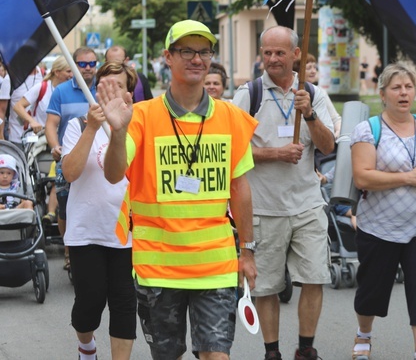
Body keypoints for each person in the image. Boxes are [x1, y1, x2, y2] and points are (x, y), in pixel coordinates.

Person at [99, 19, 258, 360]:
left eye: (204, 52)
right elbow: (113, 175)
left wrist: (247, 251)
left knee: (216, 355)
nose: (197, 59)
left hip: (215, 265)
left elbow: (240, 188)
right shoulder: (140, 116)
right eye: (186, 51)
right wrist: (116, 132)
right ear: (168, 57)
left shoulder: (231, 117)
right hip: (159, 267)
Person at [232, 25, 335, 360]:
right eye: (267, 53)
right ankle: (271, 351)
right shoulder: (249, 95)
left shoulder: (314, 94)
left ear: (296, 55)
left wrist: (309, 114)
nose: (272, 59)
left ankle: (306, 349)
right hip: (263, 207)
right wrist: (274, 153)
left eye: (279, 53)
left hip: (307, 204)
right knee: (267, 287)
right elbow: (233, 150)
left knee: (315, 278)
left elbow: (327, 145)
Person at [349, 62, 416, 360]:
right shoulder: (368, 130)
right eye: (396, 87)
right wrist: (406, 178)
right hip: (379, 226)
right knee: (372, 291)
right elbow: (362, 176)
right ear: (383, 94)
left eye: (409, 87)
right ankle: (364, 334)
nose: (403, 93)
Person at [62, 62, 138, 360]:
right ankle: (86, 346)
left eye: (118, 86)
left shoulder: (139, 125)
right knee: (88, 305)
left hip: (126, 232)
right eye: (104, 86)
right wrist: (92, 128)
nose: (110, 93)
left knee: (124, 304)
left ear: (129, 93)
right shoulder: (79, 125)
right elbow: (69, 173)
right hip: (87, 231)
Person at [45, 47, 99, 271]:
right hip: (68, 157)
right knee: (66, 207)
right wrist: (54, 146)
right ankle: (69, 250)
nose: (87, 68)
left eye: (91, 63)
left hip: (98, 159)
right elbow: (51, 124)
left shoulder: (104, 88)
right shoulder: (61, 91)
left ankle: (96, 247)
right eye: (82, 64)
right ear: (74, 66)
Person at [14, 56, 73, 224]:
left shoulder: (70, 90)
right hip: (41, 138)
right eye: (68, 71)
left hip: (63, 138)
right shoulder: (42, 88)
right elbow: (18, 106)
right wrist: (32, 121)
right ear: (57, 72)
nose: (72, 75)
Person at [6, 63, 45, 148]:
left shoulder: (41, 73)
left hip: (37, 136)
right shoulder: (11, 77)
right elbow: (2, 110)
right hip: (16, 135)